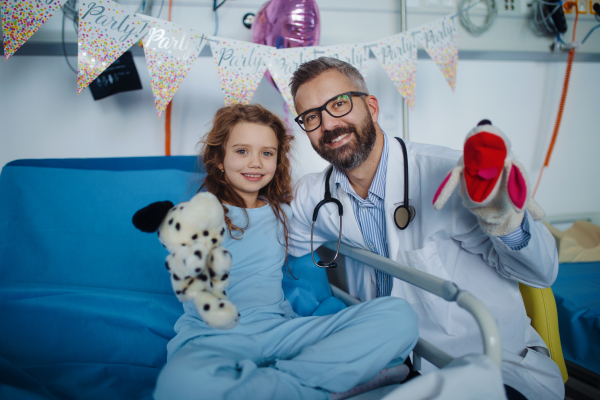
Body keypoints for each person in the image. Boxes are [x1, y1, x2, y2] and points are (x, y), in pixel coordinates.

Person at [287, 57, 564, 400]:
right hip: (397, 367)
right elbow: (289, 260)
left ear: (371, 107)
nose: (328, 124)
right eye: (312, 116)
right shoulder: (313, 195)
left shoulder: (450, 175)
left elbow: (543, 272)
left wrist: (504, 220)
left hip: (493, 367)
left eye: (339, 104)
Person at [153, 104, 419, 400]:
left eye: (266, 153)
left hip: (279, 332)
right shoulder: (201, 213)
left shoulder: (285, 212)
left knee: (399, 316)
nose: (255, 163)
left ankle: (282, 382)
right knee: (176, 385)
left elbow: (336, 218)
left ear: (277, 160)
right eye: (242, 151)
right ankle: (320, 388)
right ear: (218, 159)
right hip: (214, 337)